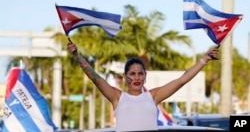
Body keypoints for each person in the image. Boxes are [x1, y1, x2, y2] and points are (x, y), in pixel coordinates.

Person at [67, 42, 219, 132]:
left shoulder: (153, 97)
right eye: (132, 74)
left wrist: (204, 60)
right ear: (125, 76)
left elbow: (182, 80)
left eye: (140, 74)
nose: (136, 77)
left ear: (145, 76)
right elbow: (95, 77)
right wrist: (77, 56)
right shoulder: (117, 97)